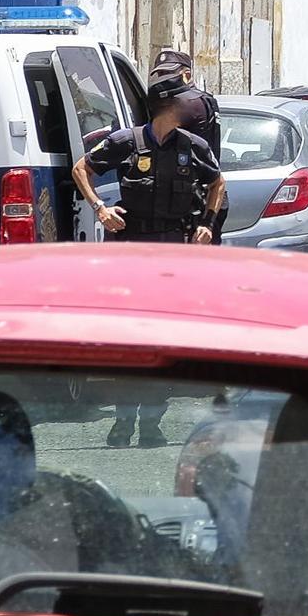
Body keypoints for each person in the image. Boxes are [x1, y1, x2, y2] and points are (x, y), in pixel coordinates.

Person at [73, 71, 225, 448]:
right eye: (185, 100)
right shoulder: (127, 141)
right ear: (167, 105)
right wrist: (100, 209)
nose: (192, 106)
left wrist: (207, 223)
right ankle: (123, 423)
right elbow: (81, 169)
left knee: (163, 339)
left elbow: (217, 184)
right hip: (129, 252)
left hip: (173, 252)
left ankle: (152, 423)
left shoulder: (193, 145)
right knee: (127, 338)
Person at [150, 47, 225, 241]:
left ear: (187, 75)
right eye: (159, 74)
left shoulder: (188, 103)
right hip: (204, 193)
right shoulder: (205, 99)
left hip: (196, 198)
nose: (162, 80)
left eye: (167, 74)